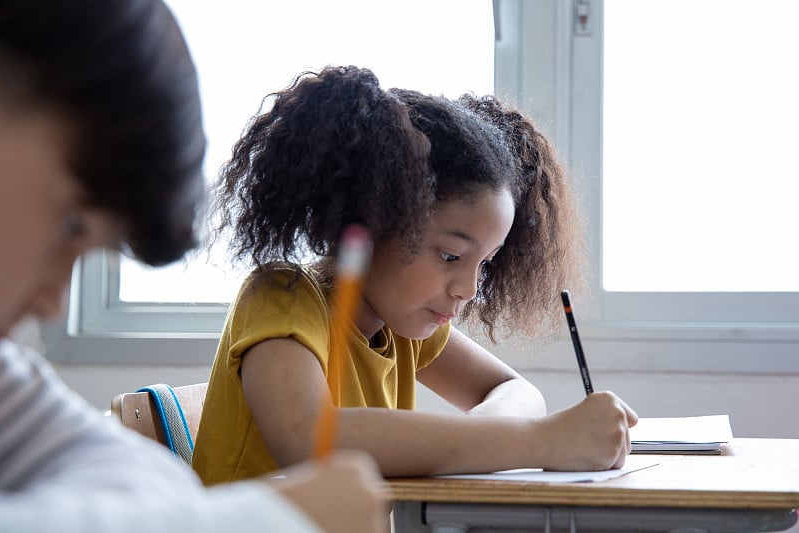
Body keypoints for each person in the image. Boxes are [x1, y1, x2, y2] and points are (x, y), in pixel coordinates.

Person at [0, 3, 386, 532]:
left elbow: (147, 479)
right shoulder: (281, 298)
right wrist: (263, 519)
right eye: (71, 226)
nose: (53, 304)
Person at [191, 65, 638, 484]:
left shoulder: (405, 329)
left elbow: (515, 390)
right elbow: (310, 439)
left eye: (484, 262)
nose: (468, 289)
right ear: (369, 222)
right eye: (449, 256)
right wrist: (545, 441)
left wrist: (489, 440)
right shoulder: (281, 298)